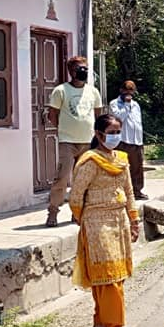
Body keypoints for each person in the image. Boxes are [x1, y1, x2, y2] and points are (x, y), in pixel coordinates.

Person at [68, 114, 140, 327]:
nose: (115, 136)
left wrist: (134, 219)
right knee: (110, 275)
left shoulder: (121, 159)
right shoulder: (90, 160)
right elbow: (76, 195)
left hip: (119, 219)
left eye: (118, 131)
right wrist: (84, 221)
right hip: (96, 221)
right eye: (111, 132)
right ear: (98, 135)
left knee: (112, 273)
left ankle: (100, 320)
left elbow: (129, 191)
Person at [46, 56, 104, 227]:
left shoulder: (93, 92)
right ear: (71, 71)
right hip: (67, 141)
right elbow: (52, 115)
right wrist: (64, 130)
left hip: (88, 141)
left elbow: (98, 115)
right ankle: (53, 212)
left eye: (85, 68)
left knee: (82, 179)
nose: (83, 71)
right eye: (80, 68)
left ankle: (77, 212)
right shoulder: (61, 90)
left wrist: (99, 137)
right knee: (62, 177)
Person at [108, 80, 147, 200]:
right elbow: (119, 119)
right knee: (122, 168)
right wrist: (126, 104)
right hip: (123, 140)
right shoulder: (114, 103)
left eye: (131, 91)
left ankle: (137, 191)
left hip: (136, 140)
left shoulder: (136, 105)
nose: (129, 93)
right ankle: (121, 192)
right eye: (126, 90)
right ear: (121, 90)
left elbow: (137, 122)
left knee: (137, 167)